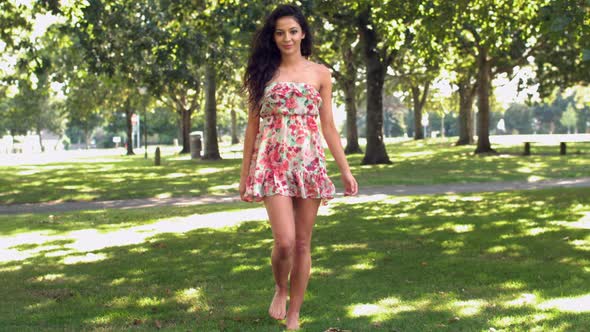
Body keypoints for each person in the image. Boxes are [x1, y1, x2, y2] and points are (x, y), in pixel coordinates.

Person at [239, 4, 358, 330]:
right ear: (273, 36)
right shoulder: (263, 71)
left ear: (303, 33)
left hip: (308, 165)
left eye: (292, 31)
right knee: (286, 241)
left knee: (304, 243)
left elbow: (329, 127)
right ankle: (280, 287)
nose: (286, 38)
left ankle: (294, 314)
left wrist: (345, 170)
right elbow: (252, 127)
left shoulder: (320, 73)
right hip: (272, 164)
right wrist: (244, 175)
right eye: (280, 32)